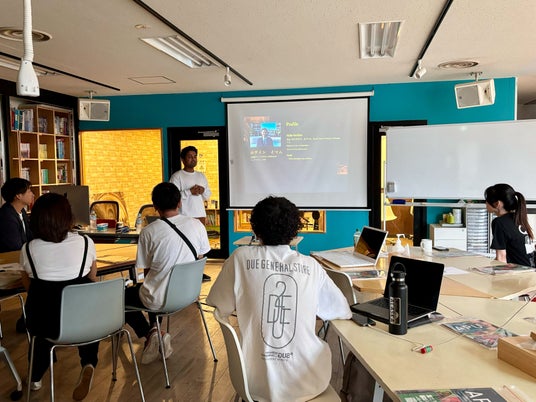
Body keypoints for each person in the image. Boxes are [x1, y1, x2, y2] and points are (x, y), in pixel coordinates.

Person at [206, 196, 352, 402]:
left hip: (251, 381)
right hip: (306, 383)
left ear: (255, 229)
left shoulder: (240, 258)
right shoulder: (311, 266)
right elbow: (341, 310)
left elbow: (217, 303)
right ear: (295, 231)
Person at [20, 192, 98, 400]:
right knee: (84, 316)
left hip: (45, 322)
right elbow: (92, 278)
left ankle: (35, 377)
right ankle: (88, 363)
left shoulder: (28, 249)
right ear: (68, 216)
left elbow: (28, 285)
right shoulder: (86, 242)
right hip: (84, 322)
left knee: (42, 329)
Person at [124, 182, 210, 364]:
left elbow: (147, 273)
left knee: (122, 298)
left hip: (160, 299)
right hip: (189, 294)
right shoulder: (197, 225)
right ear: (179, 202)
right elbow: (200, 259)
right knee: (157, 288)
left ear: (155, 207)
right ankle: (155, 331)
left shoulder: (149, 232)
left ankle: (151, 333)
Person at [169, 145, 212, 281]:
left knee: (200, 245)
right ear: (183, 159)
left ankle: (199, 272)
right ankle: (185, 273)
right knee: (185, 245)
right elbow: (172, 197)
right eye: (189, 157)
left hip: (200, 215)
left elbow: (208, 195)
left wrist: (202, 191)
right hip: (184, 216)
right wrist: (189, 191)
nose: (193, 159)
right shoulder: (177, 176)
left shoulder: (201, 176)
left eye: (195, 157)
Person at [485, 183, 534, 265]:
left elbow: (501, 258)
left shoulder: (499, 222)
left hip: (520, 271)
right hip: (530, 269)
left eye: (487, 200)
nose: (485, 203)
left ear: (497, 204)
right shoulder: (518, 218)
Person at [0, 177, 34, 252]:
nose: (32, 195)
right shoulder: (6, 217)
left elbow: (30, 237)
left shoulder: (22, 211)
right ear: (18, 196)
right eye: (29, 191)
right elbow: (16, 247)